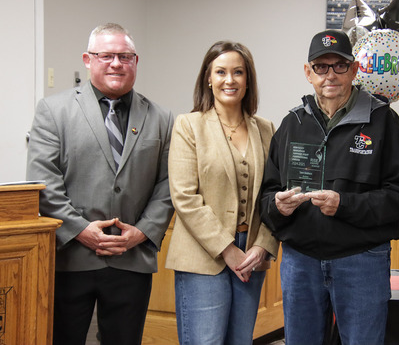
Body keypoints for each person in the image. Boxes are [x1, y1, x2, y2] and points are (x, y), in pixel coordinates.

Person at [260, 29, 399, 345]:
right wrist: (277, 206)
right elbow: (267, 193)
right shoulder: (292, 123)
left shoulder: (383, 121)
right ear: (308, 73)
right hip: (300, 262)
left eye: (339, 66)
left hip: (361, 261)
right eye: (321, 66)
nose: (330, 75)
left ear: (354, 69)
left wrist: (344, 204)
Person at [26, 23, 175, 345]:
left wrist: (142, 232)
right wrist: (81, 229)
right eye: (106, 55)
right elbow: (43, 181)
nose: (116, 63)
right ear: (87, 59)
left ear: (136, 61)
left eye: (125, 56)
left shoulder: (161, 118)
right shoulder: (53, 111)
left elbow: (167, 185)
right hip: (70, 258)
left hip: (131, 258)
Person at [166, 41, 279, 345]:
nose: (230, 80)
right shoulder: (188, 126)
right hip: (204, 255)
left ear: (248, 79)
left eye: (238, 72)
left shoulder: (266, 129)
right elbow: (185, 197)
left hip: (251, 257)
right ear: (208, 78)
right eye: (221, 72)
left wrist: (263, 244)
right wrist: (228, 249)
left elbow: (274, 194)